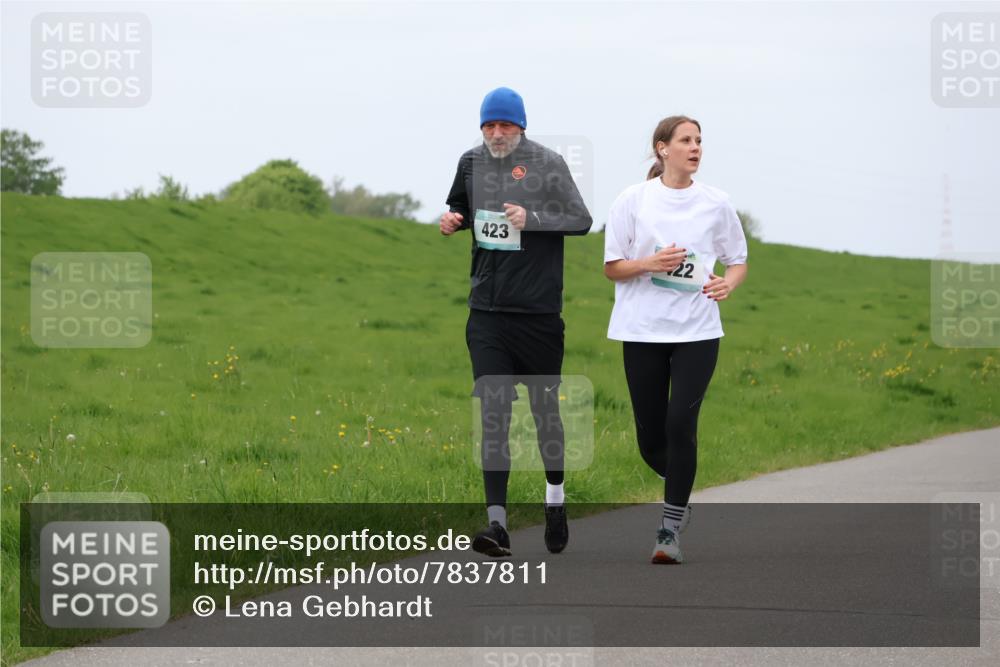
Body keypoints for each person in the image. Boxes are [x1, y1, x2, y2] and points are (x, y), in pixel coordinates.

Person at [440, 87, 593, 557]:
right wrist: (454, 220)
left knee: (545, 414)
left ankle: (555, 499)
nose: (496, 133)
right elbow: (463, 207)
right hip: (487, 314)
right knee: (494, 415)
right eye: (489, 125)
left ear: (521, 126)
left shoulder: (548, 163)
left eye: (505, 125)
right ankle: (497, 525)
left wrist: (534, 218)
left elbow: (581, 219)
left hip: (539, 315)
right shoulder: (470, 163)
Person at [603, 115, 748, 564]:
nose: (695, 147)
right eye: (686, 140)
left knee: (681, 425)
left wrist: (728, 284)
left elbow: (738, 259)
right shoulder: (632, 200)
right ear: (662, 148)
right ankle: (680, 492)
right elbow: (612, 267)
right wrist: (649, 263)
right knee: (651, 442)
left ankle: (668, 530)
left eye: (699, 141)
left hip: (697, 331)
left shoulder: (716, 203)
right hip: (642, 331)